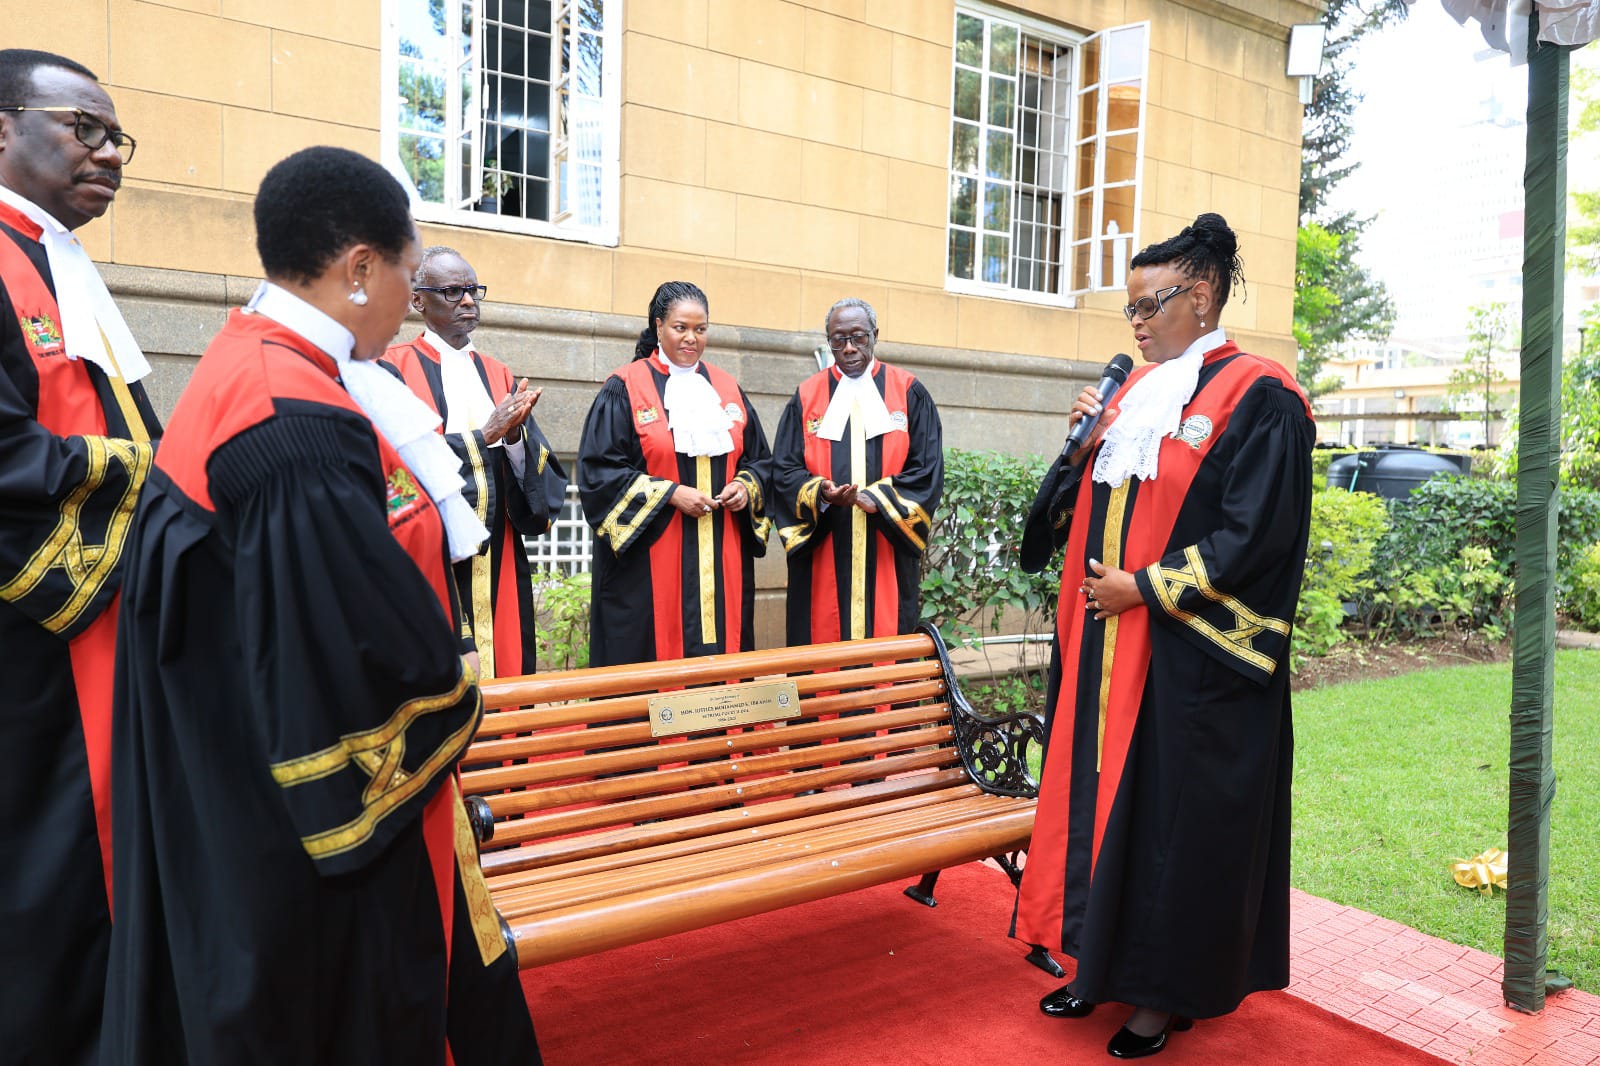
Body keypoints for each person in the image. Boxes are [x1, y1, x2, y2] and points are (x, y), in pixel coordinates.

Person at [100, 147, 539, 1064]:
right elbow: (349, 649)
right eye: (411, 276)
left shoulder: (242, 362)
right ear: (360, 269)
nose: (411, 301)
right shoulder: (296, 415)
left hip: (222, 771)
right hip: (289, 821)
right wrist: (454, 696)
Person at [1013, 213, 1314, 1059]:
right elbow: (1061, 525)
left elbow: (1258, 537)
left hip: (1191, 664)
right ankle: (1094, 966)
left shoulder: (1261, 395)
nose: (1138, 322)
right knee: (1102, 810)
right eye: (1131, 309)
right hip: (1107, 653)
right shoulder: (1134, 396)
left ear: (1205, 294)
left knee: (1170, 830)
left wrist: (1142, 589)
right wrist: (1077, 450)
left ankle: (1157, 998)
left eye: (1153, 303)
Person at [0, 48, 160, 1066]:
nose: (107, 153)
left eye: (116, 139)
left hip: (97, 631)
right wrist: (157, 478)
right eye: (82, 128)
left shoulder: (59, 259)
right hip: (28, 635)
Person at [385, 246, 568, 680]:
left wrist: (514, 437)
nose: (468, 300)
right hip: (429, 562)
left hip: (500, 558)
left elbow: (538, 474)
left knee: (508, 677)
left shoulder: (499, 374)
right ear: (418, 301)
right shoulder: (393, 369)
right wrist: (482, 437)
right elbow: (395, 465)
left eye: (472, 290)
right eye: (452, 291)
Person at [577, 281, 772, 666]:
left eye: (700, 330)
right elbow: (599, 472)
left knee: (724, 654)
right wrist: (670, 494)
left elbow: (761, 461)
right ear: (659, 326)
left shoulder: (727, 388)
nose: (691, 339)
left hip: (722, 557)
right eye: (680, 327)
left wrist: (745, 486)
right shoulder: (625, 387)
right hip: (650, 566)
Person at [771, 297, 943, 644]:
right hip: (823, 552)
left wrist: (877, 499)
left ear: (874, 335)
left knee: (887, 643)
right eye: (838, 339)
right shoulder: (806, 396)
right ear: (828, 340)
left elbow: (927, 469)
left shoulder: (908, 392)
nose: (848, 348)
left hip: (886, 553)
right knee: (821, 645)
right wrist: (819, 493)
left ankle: (885, 702)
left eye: (858, 337)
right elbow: (784, 470)